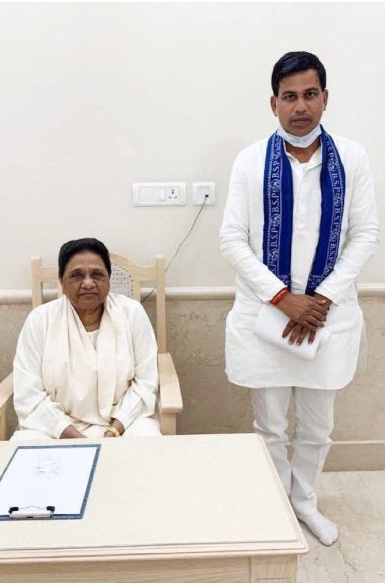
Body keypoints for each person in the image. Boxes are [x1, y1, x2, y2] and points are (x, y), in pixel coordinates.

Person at [219, 51, 379, 546]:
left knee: (317, 426)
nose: (301, 106)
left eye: (310, 94)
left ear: (325, 98)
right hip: (268, 317)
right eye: (289, 96)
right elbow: (232, 239)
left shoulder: (351, 158)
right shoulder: (250, 161)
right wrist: (284, 298)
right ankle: (276, 505)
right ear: (274, 103)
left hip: (327, 319)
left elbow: (366, 233)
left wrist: (321, 299)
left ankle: (304, 502)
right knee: (269, 425)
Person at [11, 238, 161, 441]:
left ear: (108, 279)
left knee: (147, 439)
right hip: (54, 428)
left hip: (123, 424)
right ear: (62, 282)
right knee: (27, 446)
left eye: (97, 275)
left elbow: (145, 382)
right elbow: (29, 392)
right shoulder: (40, 320)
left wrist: (113, 431)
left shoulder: (131, 313)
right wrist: (75, 437)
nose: (88, 283)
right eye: (76, 275)